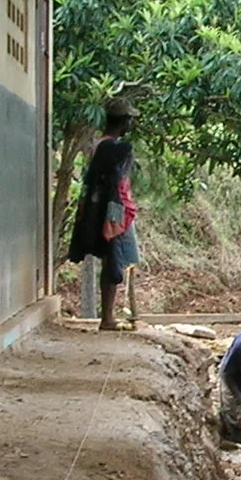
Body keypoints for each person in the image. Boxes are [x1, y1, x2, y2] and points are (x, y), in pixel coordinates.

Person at [64, 98, 140, 331]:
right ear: (124, 121)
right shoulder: (113, 149)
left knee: (117, 257)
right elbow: (112, 185)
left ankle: (112, 315)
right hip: (114, 208)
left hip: (116, 207)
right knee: (114, 257)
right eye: (129, 120)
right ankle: (108, 317)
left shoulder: (103, 146)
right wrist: (113, 215)